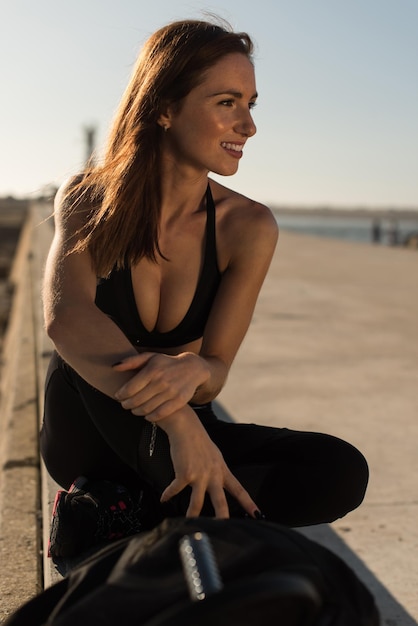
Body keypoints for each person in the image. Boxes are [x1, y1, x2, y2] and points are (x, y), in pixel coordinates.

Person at [40, 19, 368, 551]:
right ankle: (186, 519)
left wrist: (197, 369)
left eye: (251, 104)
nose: (248, 126)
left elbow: (215, 375)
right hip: (89, 430)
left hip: (175, 441)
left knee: (340, 470)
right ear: (164, 109)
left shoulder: (249, 227)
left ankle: (115, 512)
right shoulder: (87, 199)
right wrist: (183, 426)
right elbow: (67, 319)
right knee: (94, 349)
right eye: (227, 102)